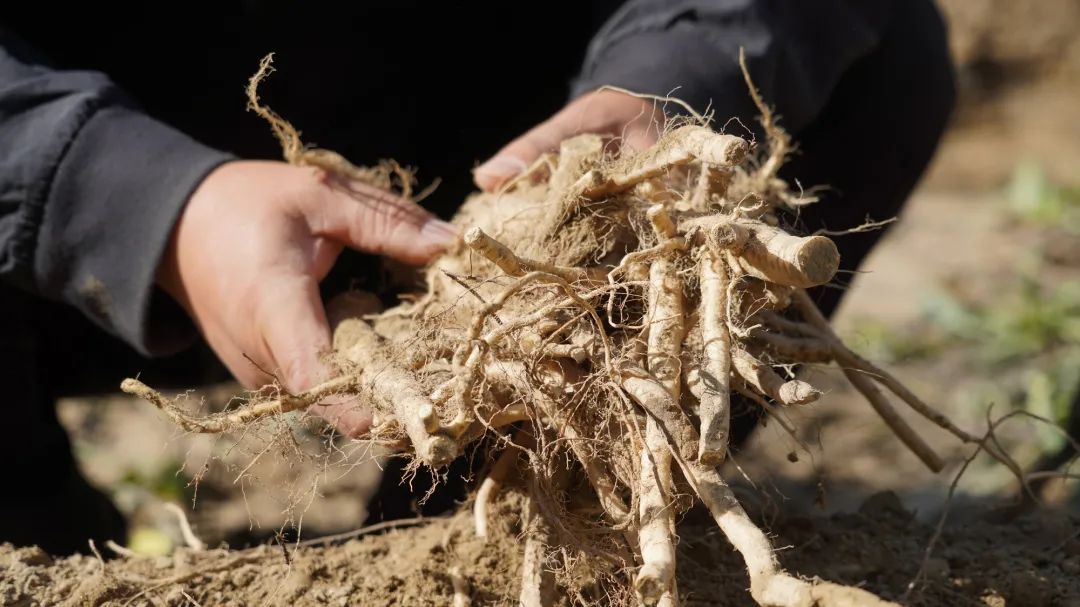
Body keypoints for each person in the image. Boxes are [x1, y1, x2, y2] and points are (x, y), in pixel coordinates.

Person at [0, 1, 955, 555]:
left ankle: (476, 533)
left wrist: (676, 61)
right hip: (68, 203)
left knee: (871, 49)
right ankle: (37, 530)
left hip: (472, 137)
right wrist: (140, 200)